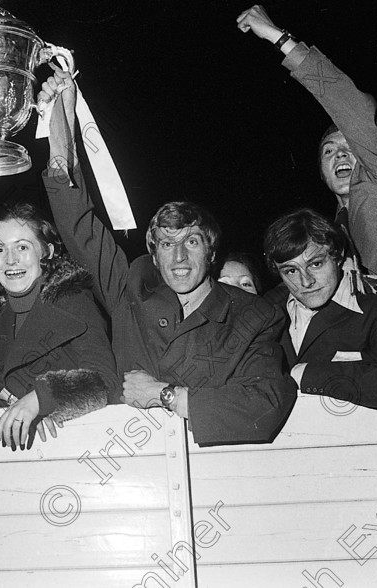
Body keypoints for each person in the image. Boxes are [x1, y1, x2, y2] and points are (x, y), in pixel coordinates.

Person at [39, 65, 296, 447]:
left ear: (211, 252)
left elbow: (265, 405)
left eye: (191, 241)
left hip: (215, 472)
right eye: (165, 243)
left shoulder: (254, 315)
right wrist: (62, 112)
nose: (178, 255)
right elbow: (77, 222)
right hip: (126, 464)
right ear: (154, 255)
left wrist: (166, 395)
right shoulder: (130, 291)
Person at [237, 4, 377, 378]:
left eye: (349, 148)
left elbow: (352, 107)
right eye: (329, 151)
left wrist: (278, 38)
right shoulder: (335, 229)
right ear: (321, 172)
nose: (340, 154)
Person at [0, 203, 116, 449]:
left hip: (74, 447)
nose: (11, 260)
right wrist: (4, 397)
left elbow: (105, 380)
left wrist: (40, 398)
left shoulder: (74, 304)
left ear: (46, 252)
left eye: (22, 247)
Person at [263, 208, 377, 410]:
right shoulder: (267, 312)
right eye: (291, 270)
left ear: (337, 257)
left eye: (316, 264)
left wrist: (302, 374)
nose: (306, 281)